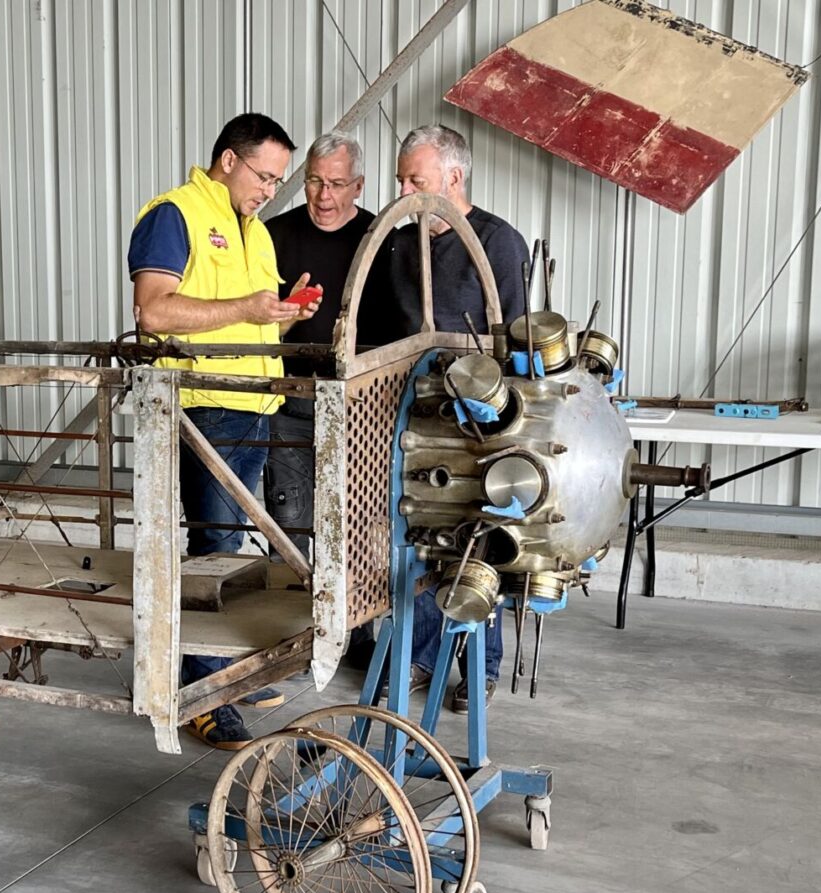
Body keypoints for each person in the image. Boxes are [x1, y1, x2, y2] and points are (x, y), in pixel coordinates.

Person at [128, 113, 318, 750]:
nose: (270, 190)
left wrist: (286, 316)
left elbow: (251, 329)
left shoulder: (255, 233)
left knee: (233, 551)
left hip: (254, 404)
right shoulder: (175, 214)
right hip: (203, 407)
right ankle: (199, 696)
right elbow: (153, 310)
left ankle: (221, 674)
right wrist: (248, 307)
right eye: (264, 176)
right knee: (212, 550)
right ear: (229, 161)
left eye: (277, 181)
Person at [378, 123, 529, 713]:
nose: (404, 190)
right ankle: (416, 655)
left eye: (415, 179)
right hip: (406, 417)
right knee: (414, 533)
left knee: (474, 539)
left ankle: (478, 666)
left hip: (473, 428)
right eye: (400, 179)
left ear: (454, 178)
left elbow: (516, 351)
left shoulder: (499, 243)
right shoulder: (394, 243)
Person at [262, 130, 379, 666]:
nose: (323, 196)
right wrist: (286, 316)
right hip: (290, 398)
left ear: (358, 185)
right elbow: (254, 324)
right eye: (313, 181)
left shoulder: (381, 237)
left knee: (355, 520)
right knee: (289, 513)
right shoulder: (273, 236)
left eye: (336, 184)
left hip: (360, 405)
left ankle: (352, 634)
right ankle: (292, 634)